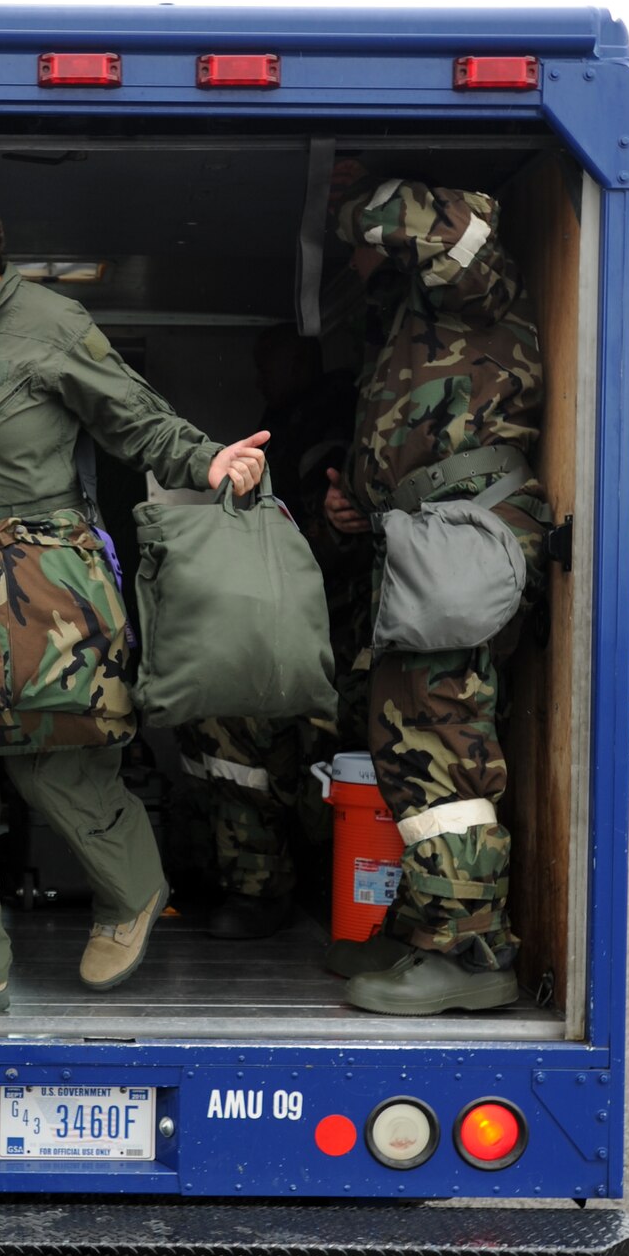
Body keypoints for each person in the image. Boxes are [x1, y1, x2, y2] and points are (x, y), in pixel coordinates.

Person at [0, 184, 270, 1022]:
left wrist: (209, 463)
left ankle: (134, 890)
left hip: (36, 590)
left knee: (57, 770)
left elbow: (138, 424)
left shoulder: (51, 327)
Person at [320, 175, 551, 1015]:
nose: (363, 256)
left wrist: (343, 211)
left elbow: (419, 218)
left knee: (438, 739)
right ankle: (429, 928)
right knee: (409, 741)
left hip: (468, 536)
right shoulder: (411, 323)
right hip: (428, 538)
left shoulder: (477, 285)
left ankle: (468, 950)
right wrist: (356, 504)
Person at [176, 327, 364, 939]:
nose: (260, 378)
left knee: (250, 736)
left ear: (301, 361)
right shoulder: (288, 423)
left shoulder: (324, 431)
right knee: (224, 731)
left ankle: (263, 888)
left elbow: (320, 539)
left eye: (269, 365)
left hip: (323, 631)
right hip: (282, 624)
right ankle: (250, 879)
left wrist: (330, 529)